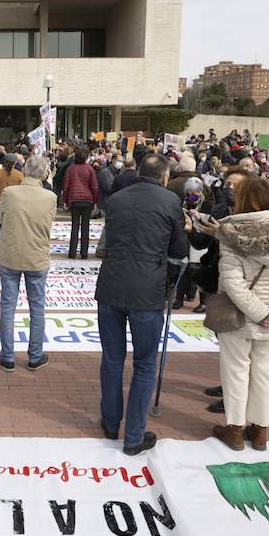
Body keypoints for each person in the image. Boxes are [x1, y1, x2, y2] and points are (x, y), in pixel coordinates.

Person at [204, 176, 269, 451]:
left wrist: (263, 313)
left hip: (240, 319)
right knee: (264, 373)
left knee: (236, 372)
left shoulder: (231, 236)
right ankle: (260, 431)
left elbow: (232, 284)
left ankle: (235, 430)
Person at [94, 154, 188, 455]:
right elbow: (179, 248)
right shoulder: (170, 201)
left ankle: (111, 423)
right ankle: (133, 436)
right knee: (145, 364)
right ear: (164, 176)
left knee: (112, 358)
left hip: (111, 283)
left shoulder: (118, 199)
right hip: (147, 290)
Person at [0, 155, 57, 372]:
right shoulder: (50, 197)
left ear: (25, 170)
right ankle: (35, 356)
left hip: (10, 255)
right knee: (37, 308)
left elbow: (0, 218)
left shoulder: (10, 193)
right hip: (36, 257)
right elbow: (50, 220)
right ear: (45, 173)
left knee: (8, 307)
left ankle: (7, 356)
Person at [61, 147, 100, 258]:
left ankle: (72, 252)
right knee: (85, 226)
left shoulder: (70, 169)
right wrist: (95, 200)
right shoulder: (89, 169)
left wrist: (65, 201)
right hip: (87, 200)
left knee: (75, 226)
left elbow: (66, 186)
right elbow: (94, 186)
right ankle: (84, 253)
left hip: (74, 199)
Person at [0, 153, 23, 242]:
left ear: (4, 161)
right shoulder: (19, 175)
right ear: (15, 163)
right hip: (14, 205)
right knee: (13, 228)